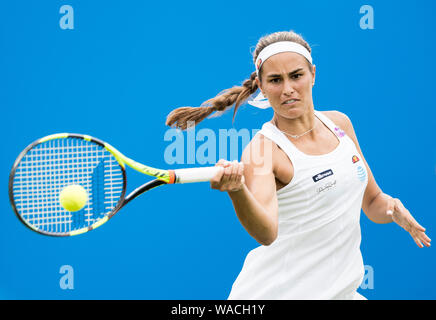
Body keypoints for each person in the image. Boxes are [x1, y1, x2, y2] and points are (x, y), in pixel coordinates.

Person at [166, 30, 431, 300]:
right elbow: (266, 233)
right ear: (261, 84)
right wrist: (237, 190)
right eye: (275, 80)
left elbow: (373, 201)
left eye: (296, 75)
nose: (288, 89)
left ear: (312, 74)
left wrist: (392, 208)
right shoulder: (263, 150)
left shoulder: (340, 124)